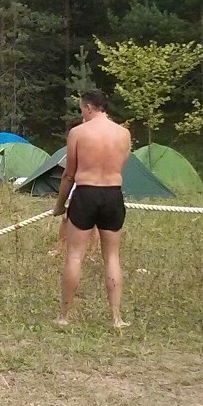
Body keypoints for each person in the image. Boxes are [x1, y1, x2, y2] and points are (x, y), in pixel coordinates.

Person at [51, 90, 132, 328]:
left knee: (75, 255)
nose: (81, 114)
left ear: (88, 107)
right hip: (113, 194)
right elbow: (121, 163)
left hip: (86, 193)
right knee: (112, 256)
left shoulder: (78, 132)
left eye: (81, 110)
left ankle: (64, 316)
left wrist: (60, 205)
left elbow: (69, 174)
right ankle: (116, 318)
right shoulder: (124, 134)